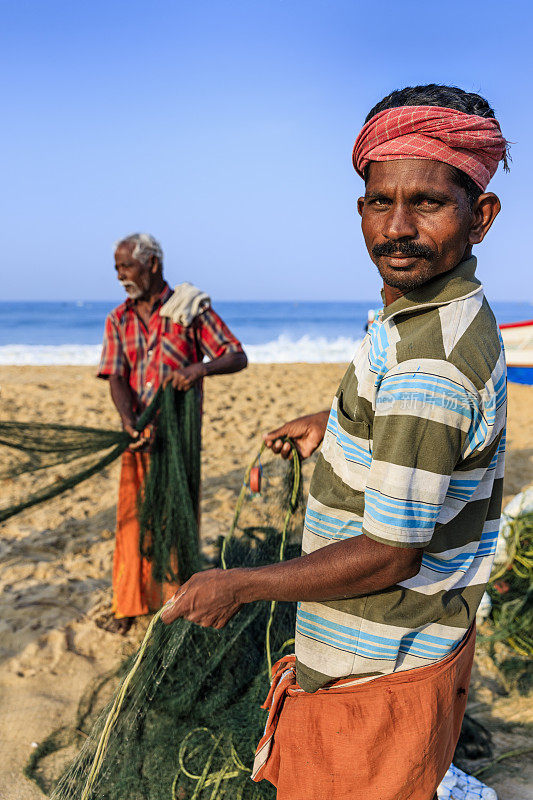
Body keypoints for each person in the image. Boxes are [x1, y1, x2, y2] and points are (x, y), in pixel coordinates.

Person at [161, 85, 508, 800]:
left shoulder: (427, 365)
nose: (397, 227)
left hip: (377, 674)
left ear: (481, 217)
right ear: (360, 209)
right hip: (400, 654)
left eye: (429, 202)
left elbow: (389, 552)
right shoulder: (421, 313)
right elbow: (421, 435)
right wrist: (336, 427)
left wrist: (241, 585)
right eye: (380, 202)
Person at [98, 233, 247, 633]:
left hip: (178, 440)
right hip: (138, 438)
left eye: (126, 266)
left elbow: (236, 355)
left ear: (153, 265)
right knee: (132, 520)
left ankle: (175, 604)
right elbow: (116, 376)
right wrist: (129, 420)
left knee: (176, 520)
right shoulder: (119, 318)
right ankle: (128, 606)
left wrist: (199, 369)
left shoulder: (190, 308)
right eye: (116, 268)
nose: (120, 275)